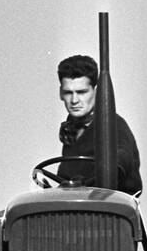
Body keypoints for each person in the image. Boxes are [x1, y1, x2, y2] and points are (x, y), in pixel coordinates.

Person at [55, 54, 142, 194]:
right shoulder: (70, 128)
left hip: (110, 208)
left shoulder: (113, 126)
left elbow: (121, 161)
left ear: (97, 92)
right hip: (77, 205)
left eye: (81, 92)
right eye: (68, 93)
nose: (74, 100)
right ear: (60, 93)